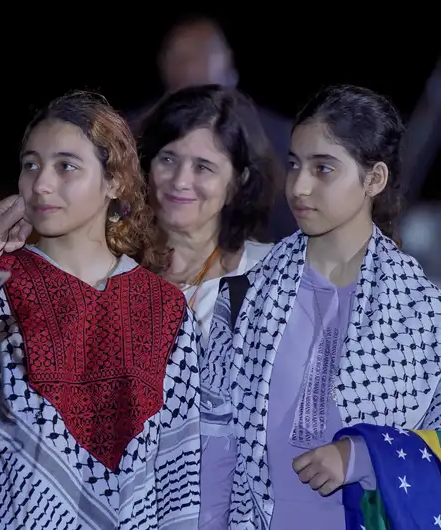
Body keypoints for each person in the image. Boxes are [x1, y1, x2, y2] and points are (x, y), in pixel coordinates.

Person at [0, 92, 203, 529]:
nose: (42, 184)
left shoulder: (163, 306)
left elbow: (181, 462)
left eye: (66, 166)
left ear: (113, 181)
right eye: (31, 164)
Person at [201, 85, 441, 530]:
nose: (300, 186)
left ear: (374, 179)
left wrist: (365, 455)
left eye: (323, 168)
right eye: (294, 164)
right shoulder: (243, 295)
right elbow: (214, 448)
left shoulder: (423, 313)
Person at [130, 14, 296, 241]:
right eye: (176, 56)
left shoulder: (278, 135)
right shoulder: (134, 129)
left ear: (227, 58)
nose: (186, 66)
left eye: (199, 53)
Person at [139, 85, 278, 343]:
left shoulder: (267, 277)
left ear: (239, 182)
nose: (180, 181)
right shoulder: (109, 265)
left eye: (203, 167)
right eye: (168, 159)